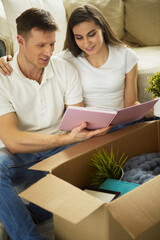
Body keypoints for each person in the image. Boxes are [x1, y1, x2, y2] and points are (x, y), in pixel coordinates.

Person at [0, 8, 110, 240]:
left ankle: (24, 214)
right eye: (41, 45)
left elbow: (78, 120)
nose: (49, 52)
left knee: (105, 149)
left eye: (52, 44)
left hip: (62, 150)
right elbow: (12, 141)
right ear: (20, 40)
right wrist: (65, 138)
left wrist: (77, 137)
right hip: (26, 155)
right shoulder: (3, 78)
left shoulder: (64, 69)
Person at [0, 4, 140, 111]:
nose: (86, 43)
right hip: (90, 127)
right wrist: (7, 59)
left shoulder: (126, 55)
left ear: (102, 28)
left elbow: (131, 103)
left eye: (92, 34)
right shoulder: (67, 58)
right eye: (79, 37)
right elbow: (38, 59)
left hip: (121, 123)